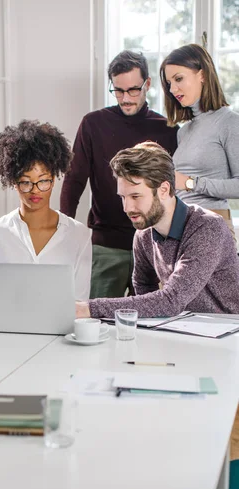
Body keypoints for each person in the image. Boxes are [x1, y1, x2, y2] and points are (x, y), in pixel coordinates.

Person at [60, 50, 179, 299]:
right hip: (106, 246)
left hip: (153, 246)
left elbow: (173, 193)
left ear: (147, 84)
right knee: (94, 320)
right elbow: (74, 181)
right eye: (118, 90)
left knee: (148, 325)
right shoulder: (93, 124)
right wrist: (64, 233)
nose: (125, 98)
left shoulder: (167, 130)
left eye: (133, 90)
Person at [76, 142, 239, 319]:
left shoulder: (207, 228)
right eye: (123, 197)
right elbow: (144, 289)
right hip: (183, 328)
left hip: (228, 330)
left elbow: (171, 300)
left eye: (135, 196)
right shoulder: (143, 234)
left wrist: (88, 309)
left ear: (163, 190)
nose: (127, 207)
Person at [0, 120, 92, 302]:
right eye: (25, 181)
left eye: (43, 180)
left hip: (61, 330)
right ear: (14, 183)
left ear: (53, 180)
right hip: (6, 329)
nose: (35, 190)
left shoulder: (79, 235)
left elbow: (80, 302)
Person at [160, 43, 239, 239]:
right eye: (169, 82)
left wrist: (189, 182)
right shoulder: (184, 131)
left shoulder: (229, 122)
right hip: (180, 225)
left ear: (202, 75)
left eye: (179, 79)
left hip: (212, 225)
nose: (173, 89)